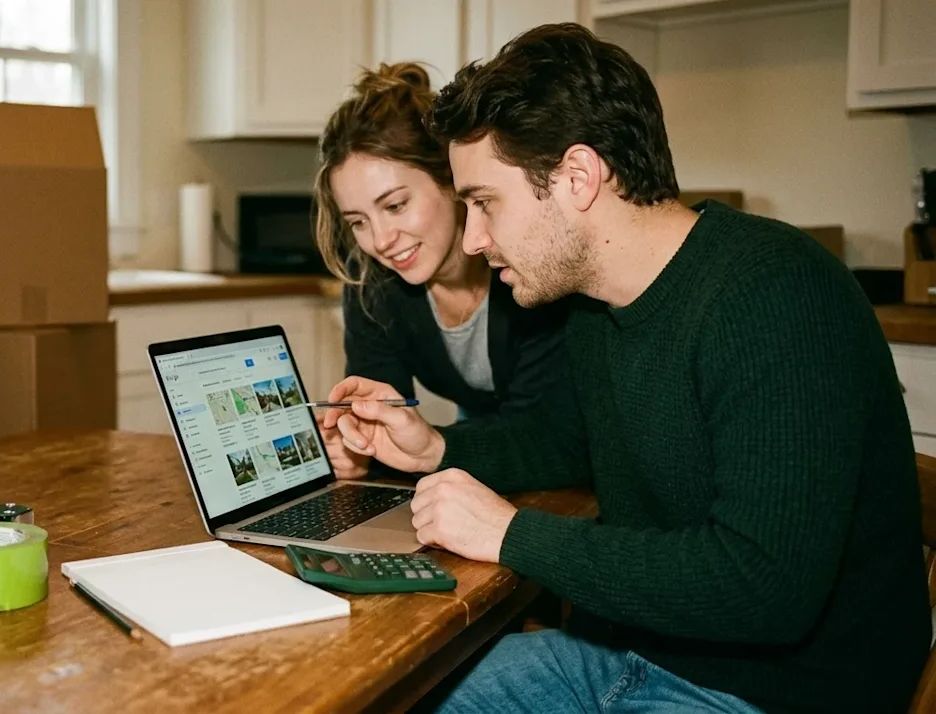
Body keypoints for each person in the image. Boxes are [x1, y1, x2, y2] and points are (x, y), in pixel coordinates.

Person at [324, 23, 931, 714]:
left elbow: (764, 588)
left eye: (485, 202)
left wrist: (512, 534)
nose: (474, 237)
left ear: (578, 177)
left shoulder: (777, 293)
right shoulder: (592, 307)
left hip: (777, 694)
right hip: (631, 658)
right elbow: (562, 442)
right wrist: (435, 447)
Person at [313, 61, 568, 480]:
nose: (380, 241)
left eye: (395, 205)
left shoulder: (531, 265)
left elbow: (554, 437)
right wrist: (360, 446)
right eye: (358, 221)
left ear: (451, 181)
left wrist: (438, 446)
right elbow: (382, 417)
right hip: (492, 458)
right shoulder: (372, 283)